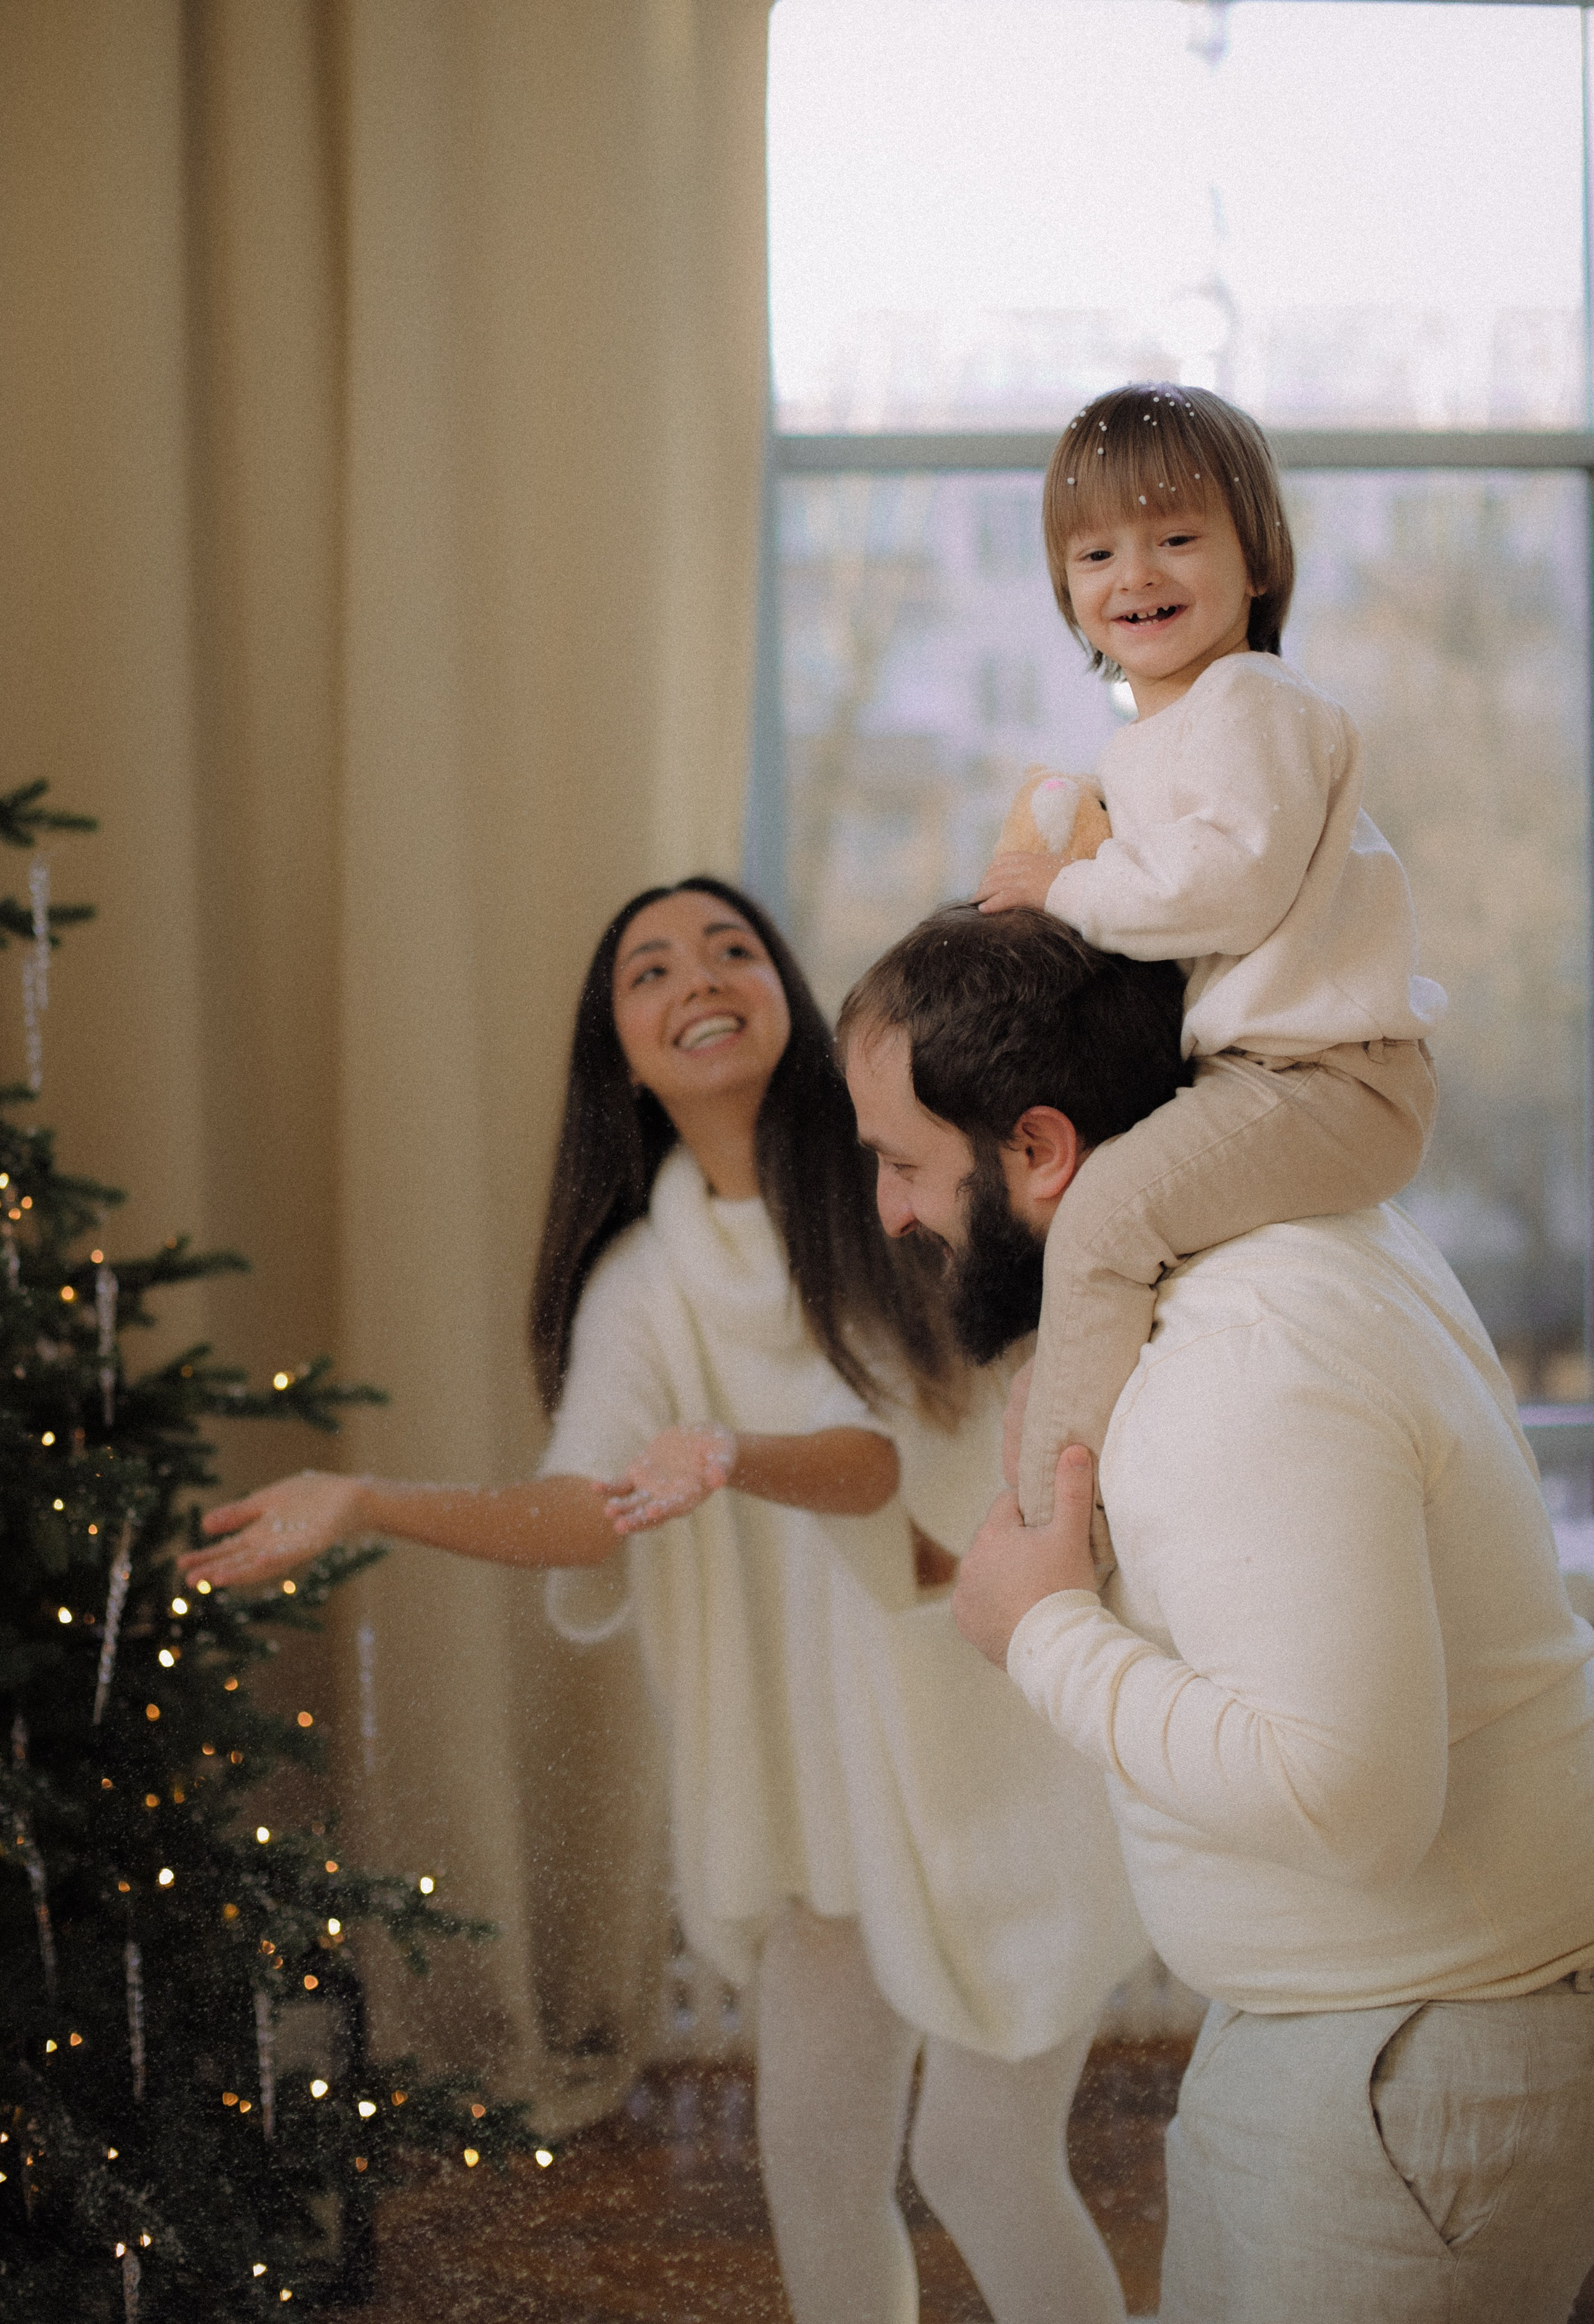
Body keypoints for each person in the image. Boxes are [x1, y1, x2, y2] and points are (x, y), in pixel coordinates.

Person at [182, 877, 1145, 2324]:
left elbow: (887, 1462)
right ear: (617, 1048)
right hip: (817, 1796)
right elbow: (590, 1508)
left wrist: (733, 1457)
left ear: (785, 995)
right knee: (814, 2179)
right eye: (648, 967)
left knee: (981, 2158)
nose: (696, 976)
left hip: (986, 1745)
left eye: (729, 947)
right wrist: (369, 1500)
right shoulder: (642, 1283)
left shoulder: (895, 1182)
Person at [839, 899, 1594, 2324]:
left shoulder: (1233, 1352)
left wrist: (1041, 1631)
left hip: (1405, 2068)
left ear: (1040, 1151)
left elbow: (1351, 1798)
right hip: (1390, 2048)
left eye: (902, 1163)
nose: (885, 1210)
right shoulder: (1281, 1251)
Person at [973, 382, 1445, 1556]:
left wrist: (1066, 888)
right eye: (1098, 551)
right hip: (1266, 1074)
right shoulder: (1160, 738)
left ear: (1258, 564)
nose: (1136, 574)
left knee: (1100, 1221)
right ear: (1068, 591)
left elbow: (1227, 882)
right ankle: (1075, 1453)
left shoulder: (1252, 700)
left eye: (1177, 538)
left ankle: (1054, 1529)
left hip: (1324, 1077)